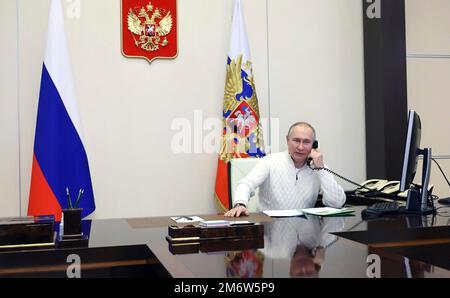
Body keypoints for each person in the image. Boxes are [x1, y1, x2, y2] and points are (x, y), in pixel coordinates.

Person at [224, 122, 346, 217]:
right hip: (270, 233)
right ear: (287, 140)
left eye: (307, 142)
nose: (300, 147)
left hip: (305, 234)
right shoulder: (270, 161)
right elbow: (246, 184)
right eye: (296, 140)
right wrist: (240, 204)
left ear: (314, 145)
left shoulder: (319, 167)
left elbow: (336, 203)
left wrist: (322, 169)